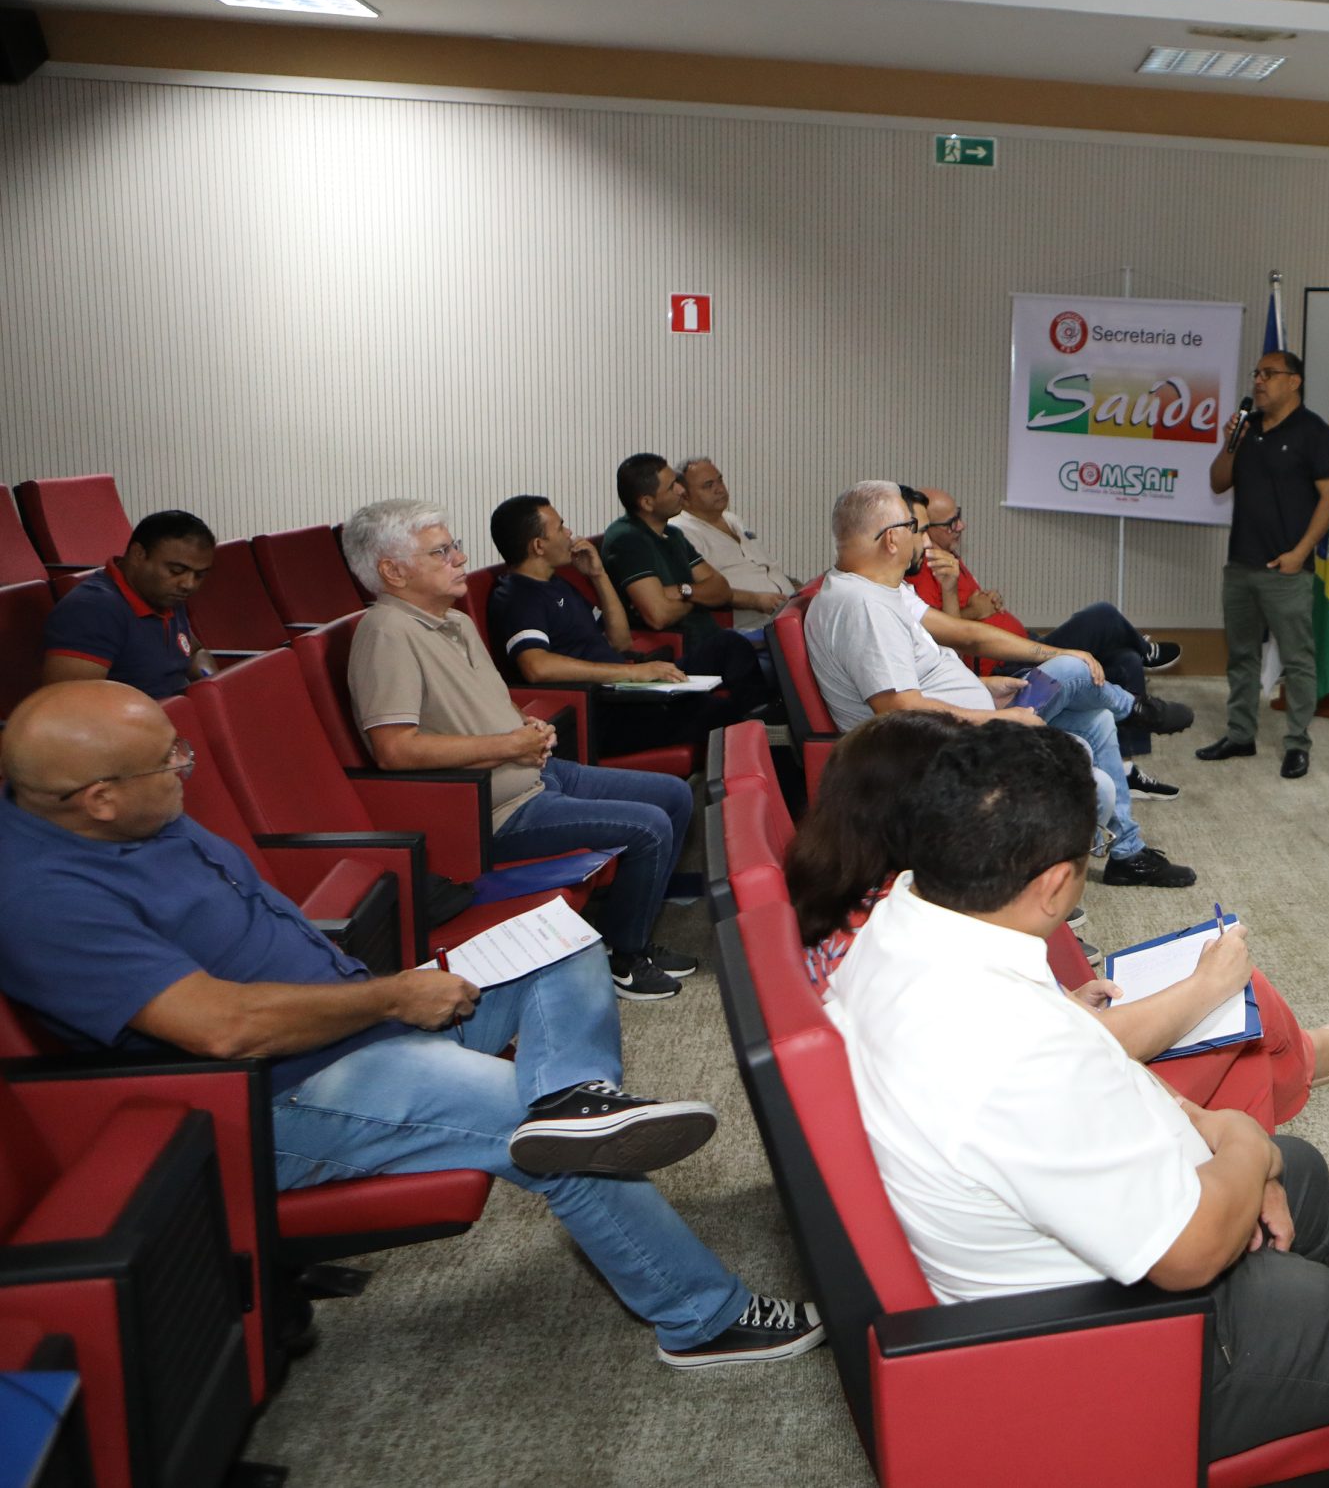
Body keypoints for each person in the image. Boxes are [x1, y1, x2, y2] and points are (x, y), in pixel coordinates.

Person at [0, 680, 824, 1370]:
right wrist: (391, 999)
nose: (187, 767)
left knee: (560, 938)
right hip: (276, 1091)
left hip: (355, 1016)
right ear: (99, 798)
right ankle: (700, 1318)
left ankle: (578, 1096)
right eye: (169, 760)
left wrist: (385, 997)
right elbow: (223, 1028)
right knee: (523, 1118)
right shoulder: (41, 897)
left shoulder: (131, 813)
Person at [828, 720, 1329, 1482]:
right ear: (1054, 884)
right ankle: (1305, 1374)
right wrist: (1247, 1143)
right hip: (1106, 1340)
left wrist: (1208, 1126)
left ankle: (1317, 1401)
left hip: (1037, 1256)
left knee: (1302, 1174)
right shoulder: (1017, 1044)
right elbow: (1193, 1252)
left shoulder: (900, 919)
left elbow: (1089, 1064)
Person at [787, 712, 1329, 1128]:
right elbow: (1075, 1052)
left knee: (1237, 1039)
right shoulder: (918, 928)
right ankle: (1298, 1068)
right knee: (1240, 1012)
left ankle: (1273, 1112)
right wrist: (1205, 987)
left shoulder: (870, 900)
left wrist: (1061, 996)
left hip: (988, 1097)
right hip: (1042, 1117)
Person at [340, 498, 698, 1002]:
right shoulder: (386, 634)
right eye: (441, 552)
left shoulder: (455, 621)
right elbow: (394, 750)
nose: (460, 559)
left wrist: (522, 725)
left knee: (674, 796)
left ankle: (630, 931)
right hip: (493, 810)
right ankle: (626, 958)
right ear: (392, 571)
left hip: (533, 771)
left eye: (455, 547)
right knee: (649, 825)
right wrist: (508, 743)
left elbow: (481, 703)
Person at [805, 480, 1195, 890]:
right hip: (931, 757)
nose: (922, 539)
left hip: (958, 728)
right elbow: (901, 709)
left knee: (1093, 721)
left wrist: (985, 686)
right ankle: (1016, 897)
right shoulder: (865, 607)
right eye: (914, 528)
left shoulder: (880, 591)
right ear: (891, 539)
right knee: (1088, 774)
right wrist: (999, 719)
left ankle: (1125, 852)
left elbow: (957, 640)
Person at [912, 484, 1185, 800]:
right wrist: (973, 606)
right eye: (950, 523)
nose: (961, 526)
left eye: (959, 516)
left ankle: (1126, 770)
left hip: (1023, 641)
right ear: (924, 531)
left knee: (1126, 661)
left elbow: (969, 609)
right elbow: (951, 640)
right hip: (1008, 666)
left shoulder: (948, 557)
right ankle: (1144, 655)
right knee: (1103, 615)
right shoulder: (919, 572)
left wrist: (982, 601)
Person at [484, 495, 739, 764]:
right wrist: (633, 673)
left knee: (728, 645)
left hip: (627, 691)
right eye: (560, 528)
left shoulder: (557, 584)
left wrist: (598, 575)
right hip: (602, 711)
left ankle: (772, 724)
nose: (569, 533)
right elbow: (537, 667)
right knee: (721, 713)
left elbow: (620, 640)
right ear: (538, 545)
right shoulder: (518, 596)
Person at [1201, 348, 1329, 781]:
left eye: (1269, 373)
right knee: (1241, 655)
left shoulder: (1314, 433)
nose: (1259, 381)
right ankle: (1240, 734)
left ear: (1294, 381)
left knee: (1298, 659)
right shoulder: (1250, 428)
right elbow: (1218, 481)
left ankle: (1297, 743)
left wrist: (1301, 553)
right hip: (1241, 564)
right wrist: (1232, 442)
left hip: (1287, 568)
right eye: (1256, 373)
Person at [597, 453, 776, 716]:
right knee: (735, 647)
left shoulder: (673, 534)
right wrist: (695, 597)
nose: (682, 490)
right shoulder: (627, 539)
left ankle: (764, 724)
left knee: (774, 652)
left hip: (707, 639)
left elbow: (721, 588)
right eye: (672, 486)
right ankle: (762, 727)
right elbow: (658, 615)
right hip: (679, 650)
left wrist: (682, 592)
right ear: (647, 502)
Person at [39, 509, 221, 698]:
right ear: (138, 554)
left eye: (199, 575)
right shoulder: (91, 610)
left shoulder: (165, 594)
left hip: (177, 716)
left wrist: (213, 686)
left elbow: (193, 653)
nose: (189, 584)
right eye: (176, 570)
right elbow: (70, 707)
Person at [670, 457, 798, 633]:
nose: (719, 489)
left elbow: (761, 568)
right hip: (747, 628)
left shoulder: (732, 519)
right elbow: (700, 590)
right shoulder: (681, 531)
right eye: (708, 485)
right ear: (684, 496)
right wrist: (756, 600)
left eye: (720, 480)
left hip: (785, 614)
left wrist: (797, 590)